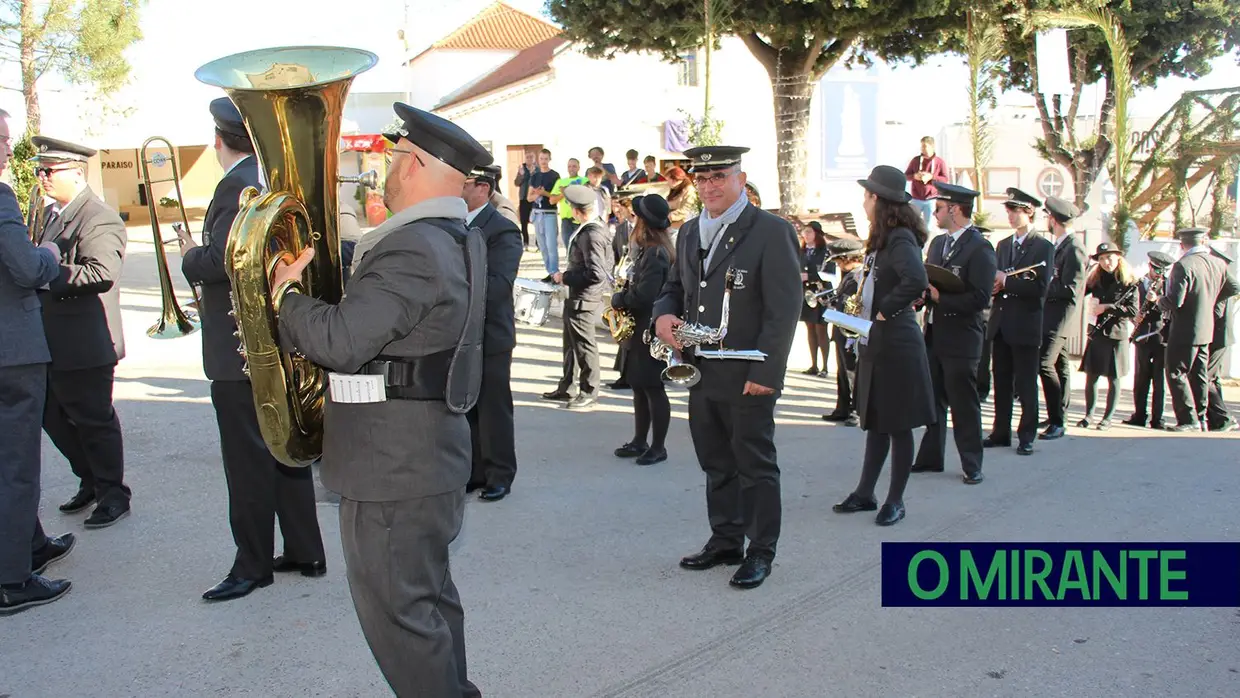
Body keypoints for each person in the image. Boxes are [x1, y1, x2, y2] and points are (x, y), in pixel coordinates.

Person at [271, 103, 488, 698]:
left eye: (393, 159)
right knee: (428, 603)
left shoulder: (414, 246)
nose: (383, 171)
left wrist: (285, 297)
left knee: (400, 616)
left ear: (413, 163)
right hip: (420, 456)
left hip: (394, 465)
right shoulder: (453, 237)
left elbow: (342, 343)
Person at [178, 98, 327, 602]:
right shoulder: (270, 181)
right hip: (273, 340)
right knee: (285, 450)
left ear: (217, 139)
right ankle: (305, 549)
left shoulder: (234, 187)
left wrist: (189, 257)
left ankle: (252, 566)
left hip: (239, 350)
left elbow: (226, 259)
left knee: (246, 462)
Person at [652, 145, 800, 589]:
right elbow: (675, 285)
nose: (709, 186)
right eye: (702, 178)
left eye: (719, 176)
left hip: (747, 370)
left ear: (741, 179)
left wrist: (767, 374)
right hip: (702, 368)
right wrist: (663, 313)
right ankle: (726, 539)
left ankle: (761, 551)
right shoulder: (689, 231)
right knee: (715, 460)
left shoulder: (771, 230)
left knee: (754, 464)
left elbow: (783, 309)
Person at [30, 135, 131, 528]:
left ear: (75, 173)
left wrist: (43, 273)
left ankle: (113, 493)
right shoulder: (53, 212)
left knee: (93, 420)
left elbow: (101, 272)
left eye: (49, 171)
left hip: (86, 341)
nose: (42, 177)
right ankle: (90, 479)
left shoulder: (97, 216)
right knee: (52, 416)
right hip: (55, 341)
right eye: (40, 170)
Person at [0, 108, 76, 615]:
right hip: (13, 351)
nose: (10, 149)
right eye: (4, 139)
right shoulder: (1, 196)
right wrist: (47, 251)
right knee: (17, 466)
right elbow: (27, 269)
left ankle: (31, 544)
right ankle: (12, 579)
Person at [832, 165, 935, 527]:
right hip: (877, 340)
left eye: (866, 196)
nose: (863, 202)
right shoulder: (883, 238)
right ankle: (865, 493)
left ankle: (895, 500)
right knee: (876, 421)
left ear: (877, 199)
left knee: (899, 424)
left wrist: (883, 311)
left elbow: (916, 280)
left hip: (897, 341)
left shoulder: (900, 238)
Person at [912, 182, 996, 484]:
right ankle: (931, 457)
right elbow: (931, 282)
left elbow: (980, 299)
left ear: (955, 210)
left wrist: (940, 298)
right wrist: (923, 297)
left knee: (963, 403)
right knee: (933, 399)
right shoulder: (938, 244)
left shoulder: (980, 248)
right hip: (935, 334)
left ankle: (972, 463)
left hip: (962, 338)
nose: (934, 213)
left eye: (938, 208)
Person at [462, 164, 523, 502]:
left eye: (464, 183)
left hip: (491, 334)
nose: (457, 188)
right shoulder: (456, 223)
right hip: (461, 332)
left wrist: (453, 287)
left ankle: (500, 474)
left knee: (493, 407)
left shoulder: (502, 229)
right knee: (467, 405)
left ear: (483, 188)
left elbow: (498, 285)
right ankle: (475, 472)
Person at [985, 188, 1055, 456]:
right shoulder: (1003, 245)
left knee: (1026, 384)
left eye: (1015, 211)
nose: (1011, 216)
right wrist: (995, 285)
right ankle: (1000, 432)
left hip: (1025, 324)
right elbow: (996, 278)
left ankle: (1026, 435)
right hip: (1002, 322)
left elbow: (1040, 288)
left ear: (1029, 212)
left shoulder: (1043, 246)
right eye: (1009, 211)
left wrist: (1007, 281)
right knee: (1001, 382)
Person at [610, 194, 674, 465]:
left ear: (644, 223)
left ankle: (658, 447)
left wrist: (620, 298)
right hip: (640, 328)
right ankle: (639, 440)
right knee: (639, 386)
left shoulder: (656, 254)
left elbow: (646, 295)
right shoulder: (650, 250)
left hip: (649, 330)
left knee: (653, 388)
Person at [540, 184, 611, 410]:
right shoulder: (589, 229)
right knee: (570, 344)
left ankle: (589, 391)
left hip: (584, 297)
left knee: (584, 346)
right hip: (577, 295)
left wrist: (565, 277)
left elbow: (596, 273)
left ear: (575, 210)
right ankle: (567, 386)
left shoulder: (592, 234)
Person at [1159, 227, 1237, 431]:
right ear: (1202, 241)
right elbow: (1234, 287)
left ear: (1182, 245)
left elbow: (1175, 301)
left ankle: (1188, 419)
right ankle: (1201, 417)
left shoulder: (1183, 265)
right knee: (1200, 373)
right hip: (1206, 329)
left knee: (1176, 372)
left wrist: (1159, 301)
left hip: (1184, 329)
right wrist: (1209, 302)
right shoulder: (1218, 263)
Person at [1076, 243, 1140, 430]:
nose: (1106, 262)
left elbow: (1133, 310)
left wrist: (1107, 307)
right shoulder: (1096, 278)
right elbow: (1080, 290)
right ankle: (1089, 415)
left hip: (1116, 334)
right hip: (1097, 333)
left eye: (1109, 257)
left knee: (1114, 378)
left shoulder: (1129, 282)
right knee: (1092, 376)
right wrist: (1084, 268)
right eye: (1102, 259)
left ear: (1118, 257)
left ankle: (1107, 418)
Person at [1038, 196, 1088, 439]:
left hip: (1060, 316)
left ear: (1053, 220)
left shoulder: (1074, 248)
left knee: (1045, 363)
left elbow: (1071, 288)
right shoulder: (1062, 245)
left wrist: (1043, 285)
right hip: (1053, 313)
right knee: (1059, 364)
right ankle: (1058, 413)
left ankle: (1058, 421)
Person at [1124, 251, 1176, 430]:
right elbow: (1130, 305)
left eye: (1162, 271)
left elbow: (1172, 308)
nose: (1159, 274)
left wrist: (1158, 299)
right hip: (1142, 336)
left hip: (1160, 337)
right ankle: (1139, 415)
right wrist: (1134, 317)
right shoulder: (1139, 284)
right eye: (1156, 270)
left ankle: (1157, 419)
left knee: (1159, 380)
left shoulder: (1169, 286)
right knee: (1141, 378)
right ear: (1150, 266)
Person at [820, 239, 865, 427]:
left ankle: (856, 410)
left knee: (853, 372)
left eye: (839, 261)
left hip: (852, 331)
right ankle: (842, 407)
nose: (838, 264)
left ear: (848, 258)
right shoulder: (848, 276)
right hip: (841, 328)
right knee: (842, 372)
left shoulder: (860, 275)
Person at [1205, 248, 1238, 432]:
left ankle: (1223, 418)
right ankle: (1216, 419)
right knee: (1213, 378)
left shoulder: (1221, 283)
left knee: (1205, 377)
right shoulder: (1223, 282)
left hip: (1217, 336)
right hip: (1220, 336)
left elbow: (1216, 313)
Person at [798, 219, 831, 375]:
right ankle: (814, 365)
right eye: (804, 232)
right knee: (810, 328)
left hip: (821, 294)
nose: (806, 235)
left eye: (809, 232)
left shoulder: (825, 252)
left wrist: (810, 276)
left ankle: (825, 367)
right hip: (806, 294)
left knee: (821, 329)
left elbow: (829, 274)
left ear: (817, 234)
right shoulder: (801, 252)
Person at [526, 148, 560, 280]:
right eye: (541, 159)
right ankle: (550, 272)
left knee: (551, 245)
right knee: (543, 246)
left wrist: (544, 193)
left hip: (549, 213)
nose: (543, 161)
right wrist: (536, 195)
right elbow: (529, 197)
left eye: (546, 159)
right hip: (537, 213)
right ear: (538, 160)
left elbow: (556, 196)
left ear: (549, 159)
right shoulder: (535, 176)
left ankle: (555, 272)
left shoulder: (554, 176)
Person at [904, 136, 949, 226]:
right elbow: (906, 176)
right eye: (921, 147)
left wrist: (931, 177)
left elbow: (945, 179)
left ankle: (926, 236)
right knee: (912, 224)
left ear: (932, 147)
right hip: (916, 198)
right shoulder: (915, 160)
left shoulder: (939, 162)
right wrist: (915, 176)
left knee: (928, 226)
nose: (922, 149)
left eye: (925, 146)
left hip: (931, 199)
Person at [549, 158, 587, 250]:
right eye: (569, 166)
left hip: (581, 219)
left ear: (579, 168)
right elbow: (552, 200)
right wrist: (564, 193)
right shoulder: (560, 182)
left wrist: (569, 190)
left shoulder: (585, 181)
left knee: (582, 248)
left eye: (574, 166)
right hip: (566, 220)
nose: (571, 169)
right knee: (569, 248)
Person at [513, 151, 536, 250]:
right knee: (523, 222)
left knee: (536, 222)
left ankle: (538, 243)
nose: (529, 159)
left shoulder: (537, 169)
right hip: (523, 198)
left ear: (534, 158)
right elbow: (516, 183)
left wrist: (532, 174)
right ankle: (525, 242)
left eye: (531, 157)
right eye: (527, 157)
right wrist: (521, 175)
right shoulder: (522, 169)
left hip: (534, 199)